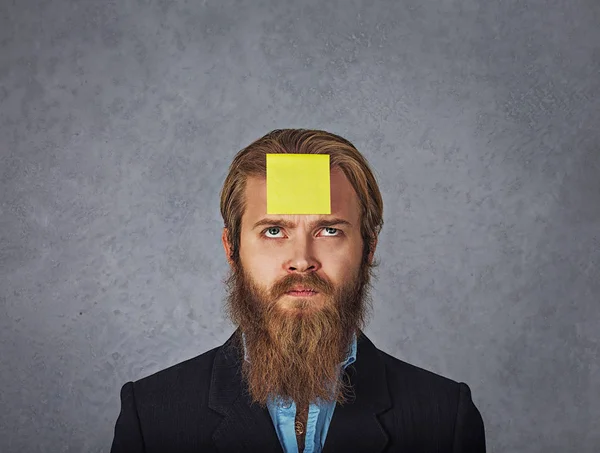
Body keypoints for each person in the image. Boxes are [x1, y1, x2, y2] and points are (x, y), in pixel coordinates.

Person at [110, 129, 486, 453]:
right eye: (274, 231)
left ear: (369, 248)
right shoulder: (152, 414)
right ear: (231, 249)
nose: (302, 260)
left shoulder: (444, 418)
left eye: (329, 230)